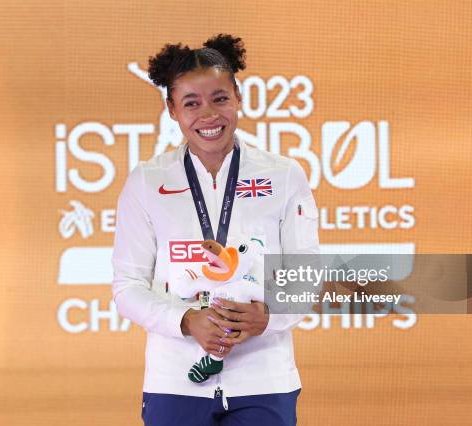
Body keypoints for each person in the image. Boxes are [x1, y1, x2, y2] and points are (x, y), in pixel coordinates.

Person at [112, 34, 320, 426]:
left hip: (265, 378)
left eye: (220, 98)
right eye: (191, 103)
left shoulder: (283, 174)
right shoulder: (145, 182)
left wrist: (268, 315)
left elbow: (305, 274)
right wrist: (187, 320)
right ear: (172, 110)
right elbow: (127, 287)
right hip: (175, 380)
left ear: (239, 98)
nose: (208, 115)